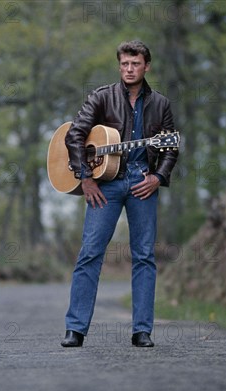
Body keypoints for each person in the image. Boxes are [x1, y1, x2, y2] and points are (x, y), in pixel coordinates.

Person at [61, 40, 179, 348]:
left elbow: (170, 148)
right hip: (105, 185)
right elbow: (75, 135)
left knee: (143, 256)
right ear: (119, 66)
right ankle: (75, 329)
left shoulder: (161, 104)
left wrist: (158, 176)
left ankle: (142, 331)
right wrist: (85, 177)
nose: (129, 69)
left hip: (143, 185)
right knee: (90, 253)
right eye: (124, 64)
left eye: (135, 63)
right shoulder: (102, 97)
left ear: (146, 66)